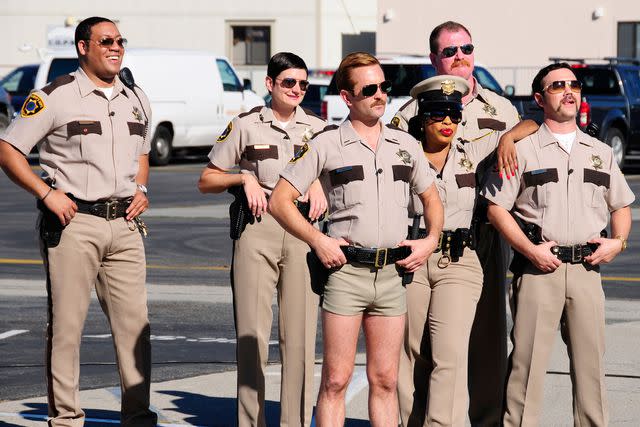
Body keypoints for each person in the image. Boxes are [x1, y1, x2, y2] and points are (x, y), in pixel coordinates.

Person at [269, 52, 444, 427]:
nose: (380, 95)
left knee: (386, 380)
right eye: (369, 89)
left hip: (393, 274)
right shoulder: (326, 143)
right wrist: (318, 240)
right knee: (336, 380)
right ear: (347, 97)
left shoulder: (404, 144)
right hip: (346, 274)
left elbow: (431, 198)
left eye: (384, 87)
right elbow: (279, 201)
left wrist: (430, 241)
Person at [0, 17, 156, 426]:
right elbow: (9, 149)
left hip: (125, 225)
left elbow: (141, 152)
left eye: (121, 40)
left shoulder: (135, 97)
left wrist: (141, 188)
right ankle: (66, 420)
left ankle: (138, 417)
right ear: (83, 47)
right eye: (106, 41)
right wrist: (47, 193)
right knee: (67, 328)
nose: (116, 47)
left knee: (136, 328)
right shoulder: (55, 96)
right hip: (74, 225)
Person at [482, 62, 634, 426]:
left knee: (591, 372)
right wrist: (529, 250)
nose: (568, 90)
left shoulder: (599, 151)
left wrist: (619, 242)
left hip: (586, 271)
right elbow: (496, 209)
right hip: (537, 271)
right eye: (557, 86)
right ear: (539, 98)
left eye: (573, 85)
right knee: (526, 370)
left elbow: (621, 205)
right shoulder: (521, 150)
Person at [392, 21, 520, 425]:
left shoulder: (501, 109)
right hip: (420, 234)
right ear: (434, 59)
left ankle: (485, 421)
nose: (460, 56)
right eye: (450, 51)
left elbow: (531, 134)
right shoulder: (409, 113)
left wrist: (508, 136)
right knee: (420, 345)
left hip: (483, 229)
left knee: (487, 338)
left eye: (466, 47)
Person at [197, 52, 326, 427]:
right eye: (289, 82)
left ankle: (295, 422)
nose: (297, 90)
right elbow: (207, 179)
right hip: (258, 228)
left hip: (303, 232)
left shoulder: (318, 128)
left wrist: (318, 182)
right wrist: (243, 178)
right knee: (252, 337)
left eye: (303, 84)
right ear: (270, 84)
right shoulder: (246, 125)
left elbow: (333, 174)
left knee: (300, 340)